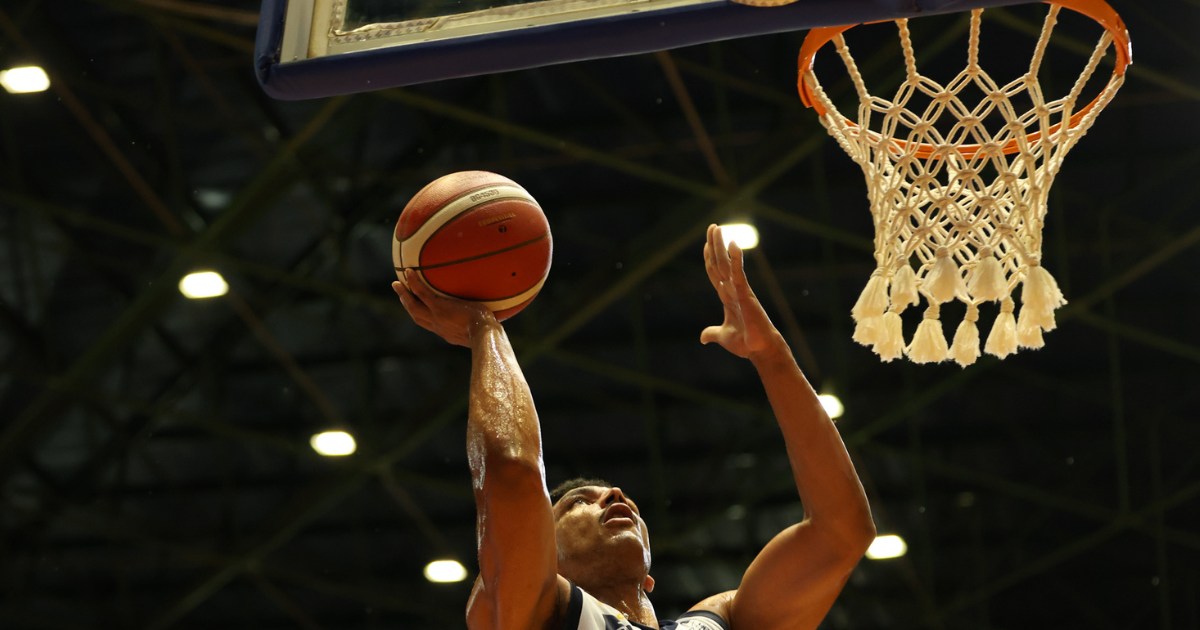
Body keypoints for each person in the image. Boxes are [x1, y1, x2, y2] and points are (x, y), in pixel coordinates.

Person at [392, 225, 875, 630]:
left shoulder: (717, 621)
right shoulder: (532, 610)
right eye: (577, 503)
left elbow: (842, 533)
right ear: (546, 556)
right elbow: (511, 472)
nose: (614, 494)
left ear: (650, 578)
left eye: (617, 498)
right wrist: (484, 326)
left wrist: (772, 356)